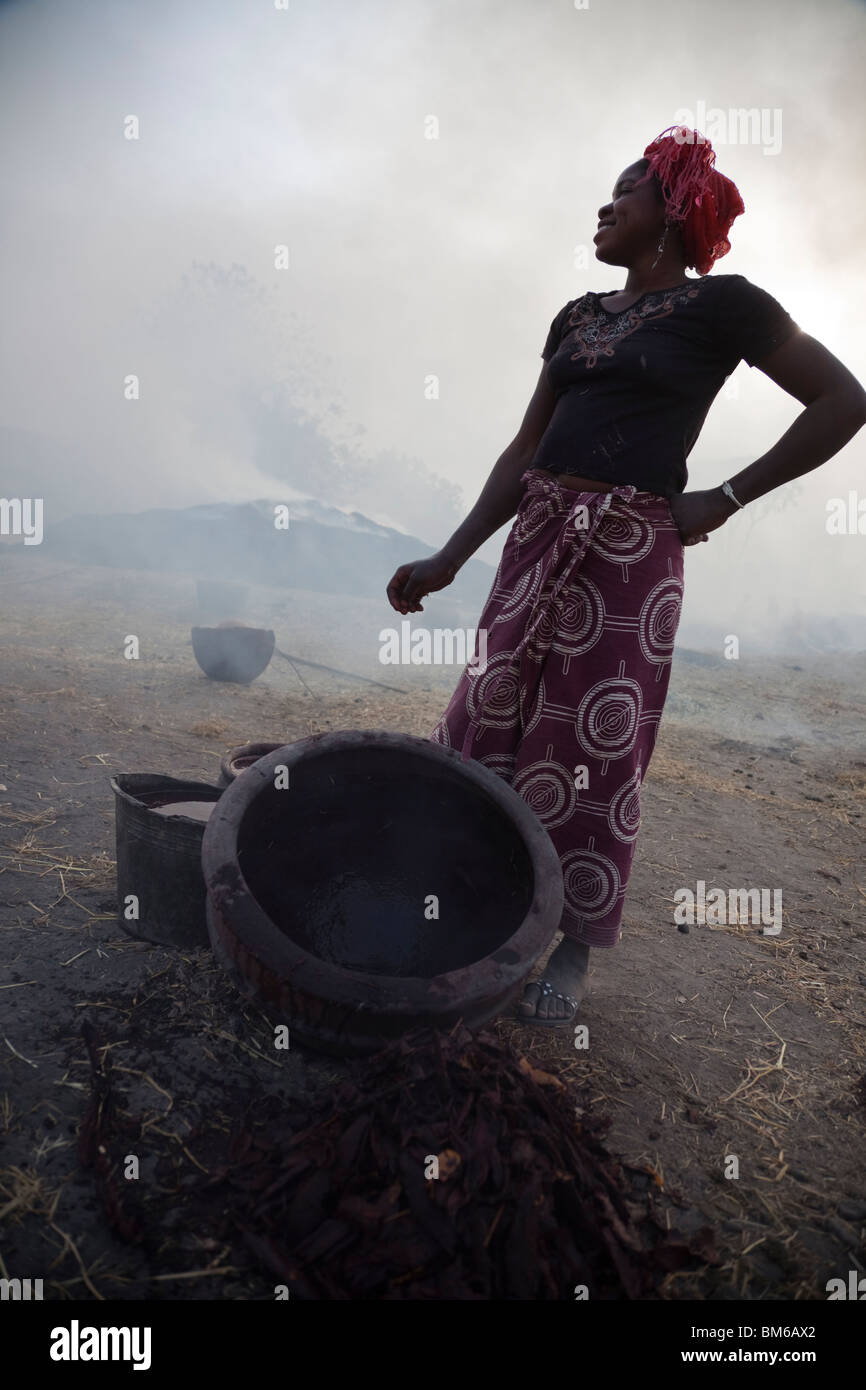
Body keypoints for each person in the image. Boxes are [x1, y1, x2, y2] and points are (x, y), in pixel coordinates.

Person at [385, 125, 866, 1027]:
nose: (605, 207)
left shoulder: (725, 307)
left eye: (626, 192)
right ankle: (475, 909)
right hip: (536, 536)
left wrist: (724, 496)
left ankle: (570, 946)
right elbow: (527, 447)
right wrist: (451, 556)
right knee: (484, 714)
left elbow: (847, 401)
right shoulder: (575, 317)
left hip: (632, 550)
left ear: (673, 212)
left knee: (591, 746)